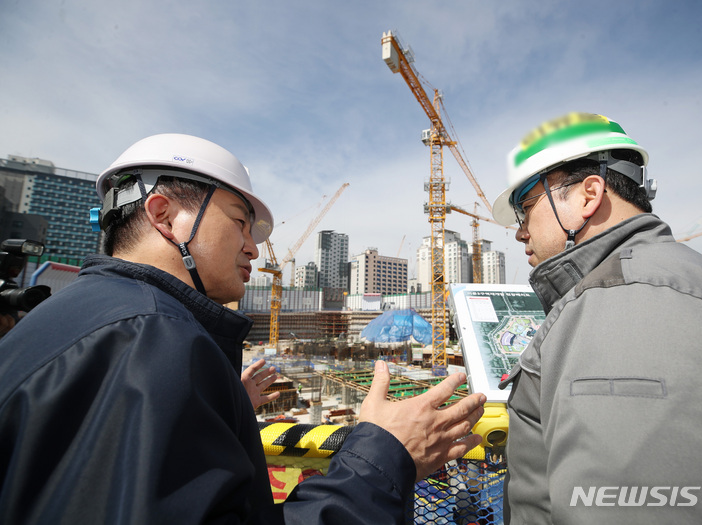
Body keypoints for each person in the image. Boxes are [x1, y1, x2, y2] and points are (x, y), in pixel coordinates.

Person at [0, 133, 487, 524]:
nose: (253, 248)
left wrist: (213, 405)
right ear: (164, 215)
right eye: (240, 222)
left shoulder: (72, 316)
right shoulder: (153, 339)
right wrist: (384, 453)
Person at [491, 112, 702, 524]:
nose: (520, 232)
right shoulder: (665, 278)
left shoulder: (625, 299)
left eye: (526, 209)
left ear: (588, 194)